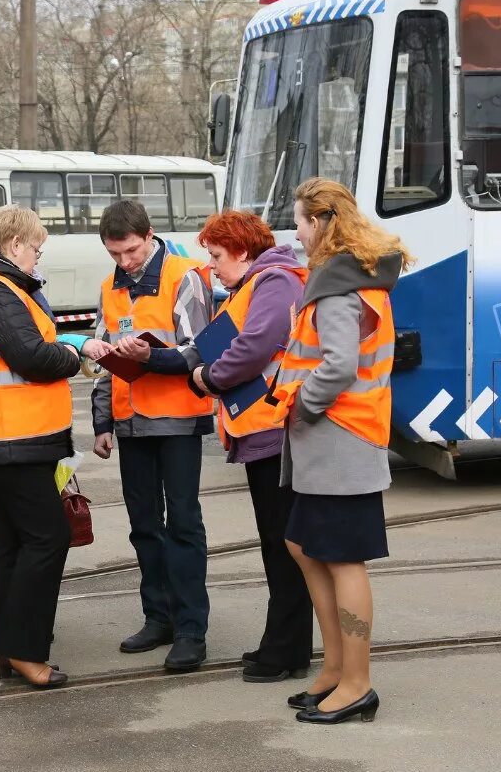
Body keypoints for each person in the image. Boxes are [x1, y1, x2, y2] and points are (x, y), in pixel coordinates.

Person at [0, 206, 109, 689]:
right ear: (15, 245)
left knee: (16, 541)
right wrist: (75, 354)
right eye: (37, 248)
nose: (39, 257)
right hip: (11, 436)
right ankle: (24, 651)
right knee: (46, 537)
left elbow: (28, 346)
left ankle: (8, 647)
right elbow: (32, 357)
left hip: (10, 435)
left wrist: (65, 344)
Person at [271, 177, 411, 725]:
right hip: (337, 438)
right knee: (304, 544)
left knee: (341, 558)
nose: (297, 232)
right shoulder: (354, 277)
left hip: (339, 437)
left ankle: (355, 683)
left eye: (301, 222)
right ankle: (336, 668)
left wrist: (302, 406)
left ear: (321, 223)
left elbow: (338, 365)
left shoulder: (336, 285)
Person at [91, 200, 214, 672]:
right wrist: (102, 422)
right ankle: (157, 617)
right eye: (115, 254)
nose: (125, 262)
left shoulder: (185, 275)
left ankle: (190, 630)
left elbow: (198, 350)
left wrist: (148, 357)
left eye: (132, 250)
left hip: (178, 420)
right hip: (129, 423)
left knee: (183, 523)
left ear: (150, 234)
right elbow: (104, 357)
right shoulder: (110, 286)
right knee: (144, 524)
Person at [190, 211, 311, 683]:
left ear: (242, 250)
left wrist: (209, 378)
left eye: (217, 256)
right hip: (264, 431)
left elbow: (256, 344)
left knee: (283, 547)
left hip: (274, 431)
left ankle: (284, 652)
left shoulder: (274, 282)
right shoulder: (260, 283)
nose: (214, 267)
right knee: (278, 545)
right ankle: (282, 645)